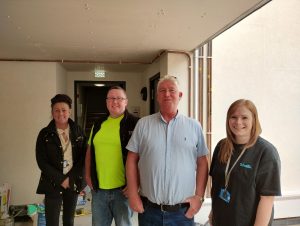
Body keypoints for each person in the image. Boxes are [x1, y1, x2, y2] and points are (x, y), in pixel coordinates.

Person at [126, 75, 209, 226]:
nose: (167, 94)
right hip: (149, 210)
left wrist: (199, 197)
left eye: (172, 90)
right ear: (157, 96)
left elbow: (202, 162)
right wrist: (132, 194)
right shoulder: (143, 125)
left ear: (180, 95)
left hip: (183, 213)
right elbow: (131, 159)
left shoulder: (194, 126)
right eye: (162, 91)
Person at [209, 99, 281, 226]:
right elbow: (217, 184)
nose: (238, 122)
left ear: (254, 119)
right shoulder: (221, 146)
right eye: (233, 117)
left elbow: (267, 199)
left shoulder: (266, 152)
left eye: (244, 117)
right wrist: (213, 212)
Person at [85, 86, 139, 226]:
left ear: (126, 102)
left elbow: (144, 156)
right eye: (111, 98)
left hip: (123, 190)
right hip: (99, 191)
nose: (115, 101)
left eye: (119, 98)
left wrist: (136, 183)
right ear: (106, 102)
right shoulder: (98, 124)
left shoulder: (136, 123)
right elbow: (90, 150)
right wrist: (87, 176)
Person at [36, 94, 87, 226]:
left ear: (69, 111)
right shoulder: (44, 134)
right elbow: (42, 161)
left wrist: (70, 178)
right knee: (52, 221)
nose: (60, 113)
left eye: (64, 110)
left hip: (72, 182)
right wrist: (61, 179)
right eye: (56, 110)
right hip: (52, 182)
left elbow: (83, 158)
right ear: (52, 112)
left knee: (69, 220)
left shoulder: (78, 131)